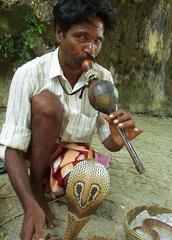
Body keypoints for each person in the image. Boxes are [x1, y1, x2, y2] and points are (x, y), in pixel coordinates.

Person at [0, 0, 143, 239]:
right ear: (59, 33)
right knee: (47, 104)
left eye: (97, 41)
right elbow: (12, 148)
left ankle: (54, 190)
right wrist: (28, 205)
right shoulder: (30, 74)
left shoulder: (104, 78)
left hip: (70, 156)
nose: (91, 49)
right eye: (81, 37)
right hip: (33, 156)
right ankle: (35, 187)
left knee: (91, 183)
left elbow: (108, 140)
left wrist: (118, 139)